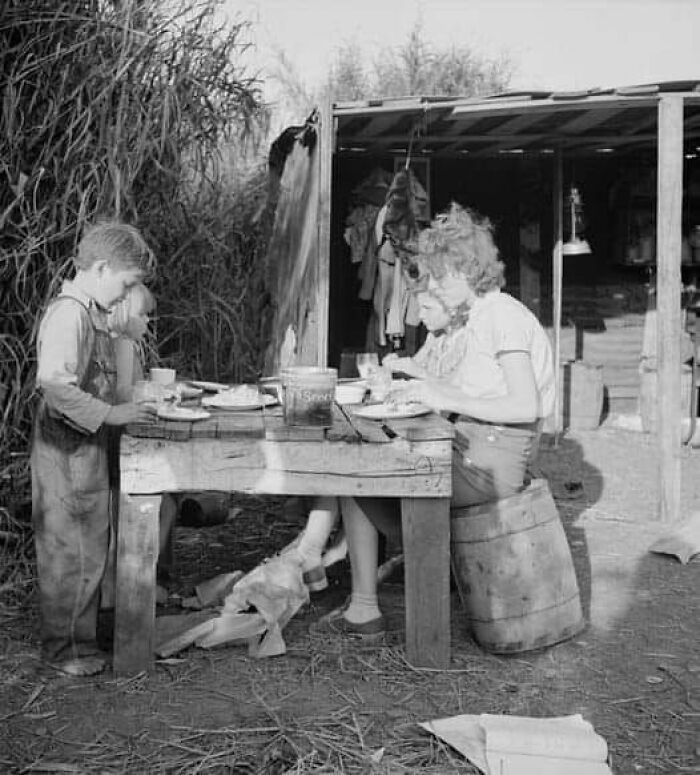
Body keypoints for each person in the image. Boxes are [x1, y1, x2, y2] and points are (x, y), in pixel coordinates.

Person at [320, 203, 555, 639]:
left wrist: (440, 393)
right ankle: (372, 600)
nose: (438, 288)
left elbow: (525, 406)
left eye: (442, 277)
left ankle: (381, 604)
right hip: (470, 450)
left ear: (468, 270)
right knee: (357, 472)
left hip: (491, 464)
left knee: (359, 475)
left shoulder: (501, 315)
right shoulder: (480, 317)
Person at [31, 220, 157, 676]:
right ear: (102, 268)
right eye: (125, 285)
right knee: (71, 548)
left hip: (84, 445)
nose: (127, 298)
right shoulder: (70, 314)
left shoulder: (93, 313)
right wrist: (111, 415)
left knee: (89, 541)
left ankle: (80, 637)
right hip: (66, 448)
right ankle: (66, 651)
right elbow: (54, 386)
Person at [107, 284, 177, 585]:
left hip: (121, 433)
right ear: (122, 313)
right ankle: (146, 578)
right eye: (143, 315)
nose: (148, 322)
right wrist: (151, 394)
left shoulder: (123, 343)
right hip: (121, 437)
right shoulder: (122, 343)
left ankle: (145, 576)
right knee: (165, 501)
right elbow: (123, 393)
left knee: (166, 499)